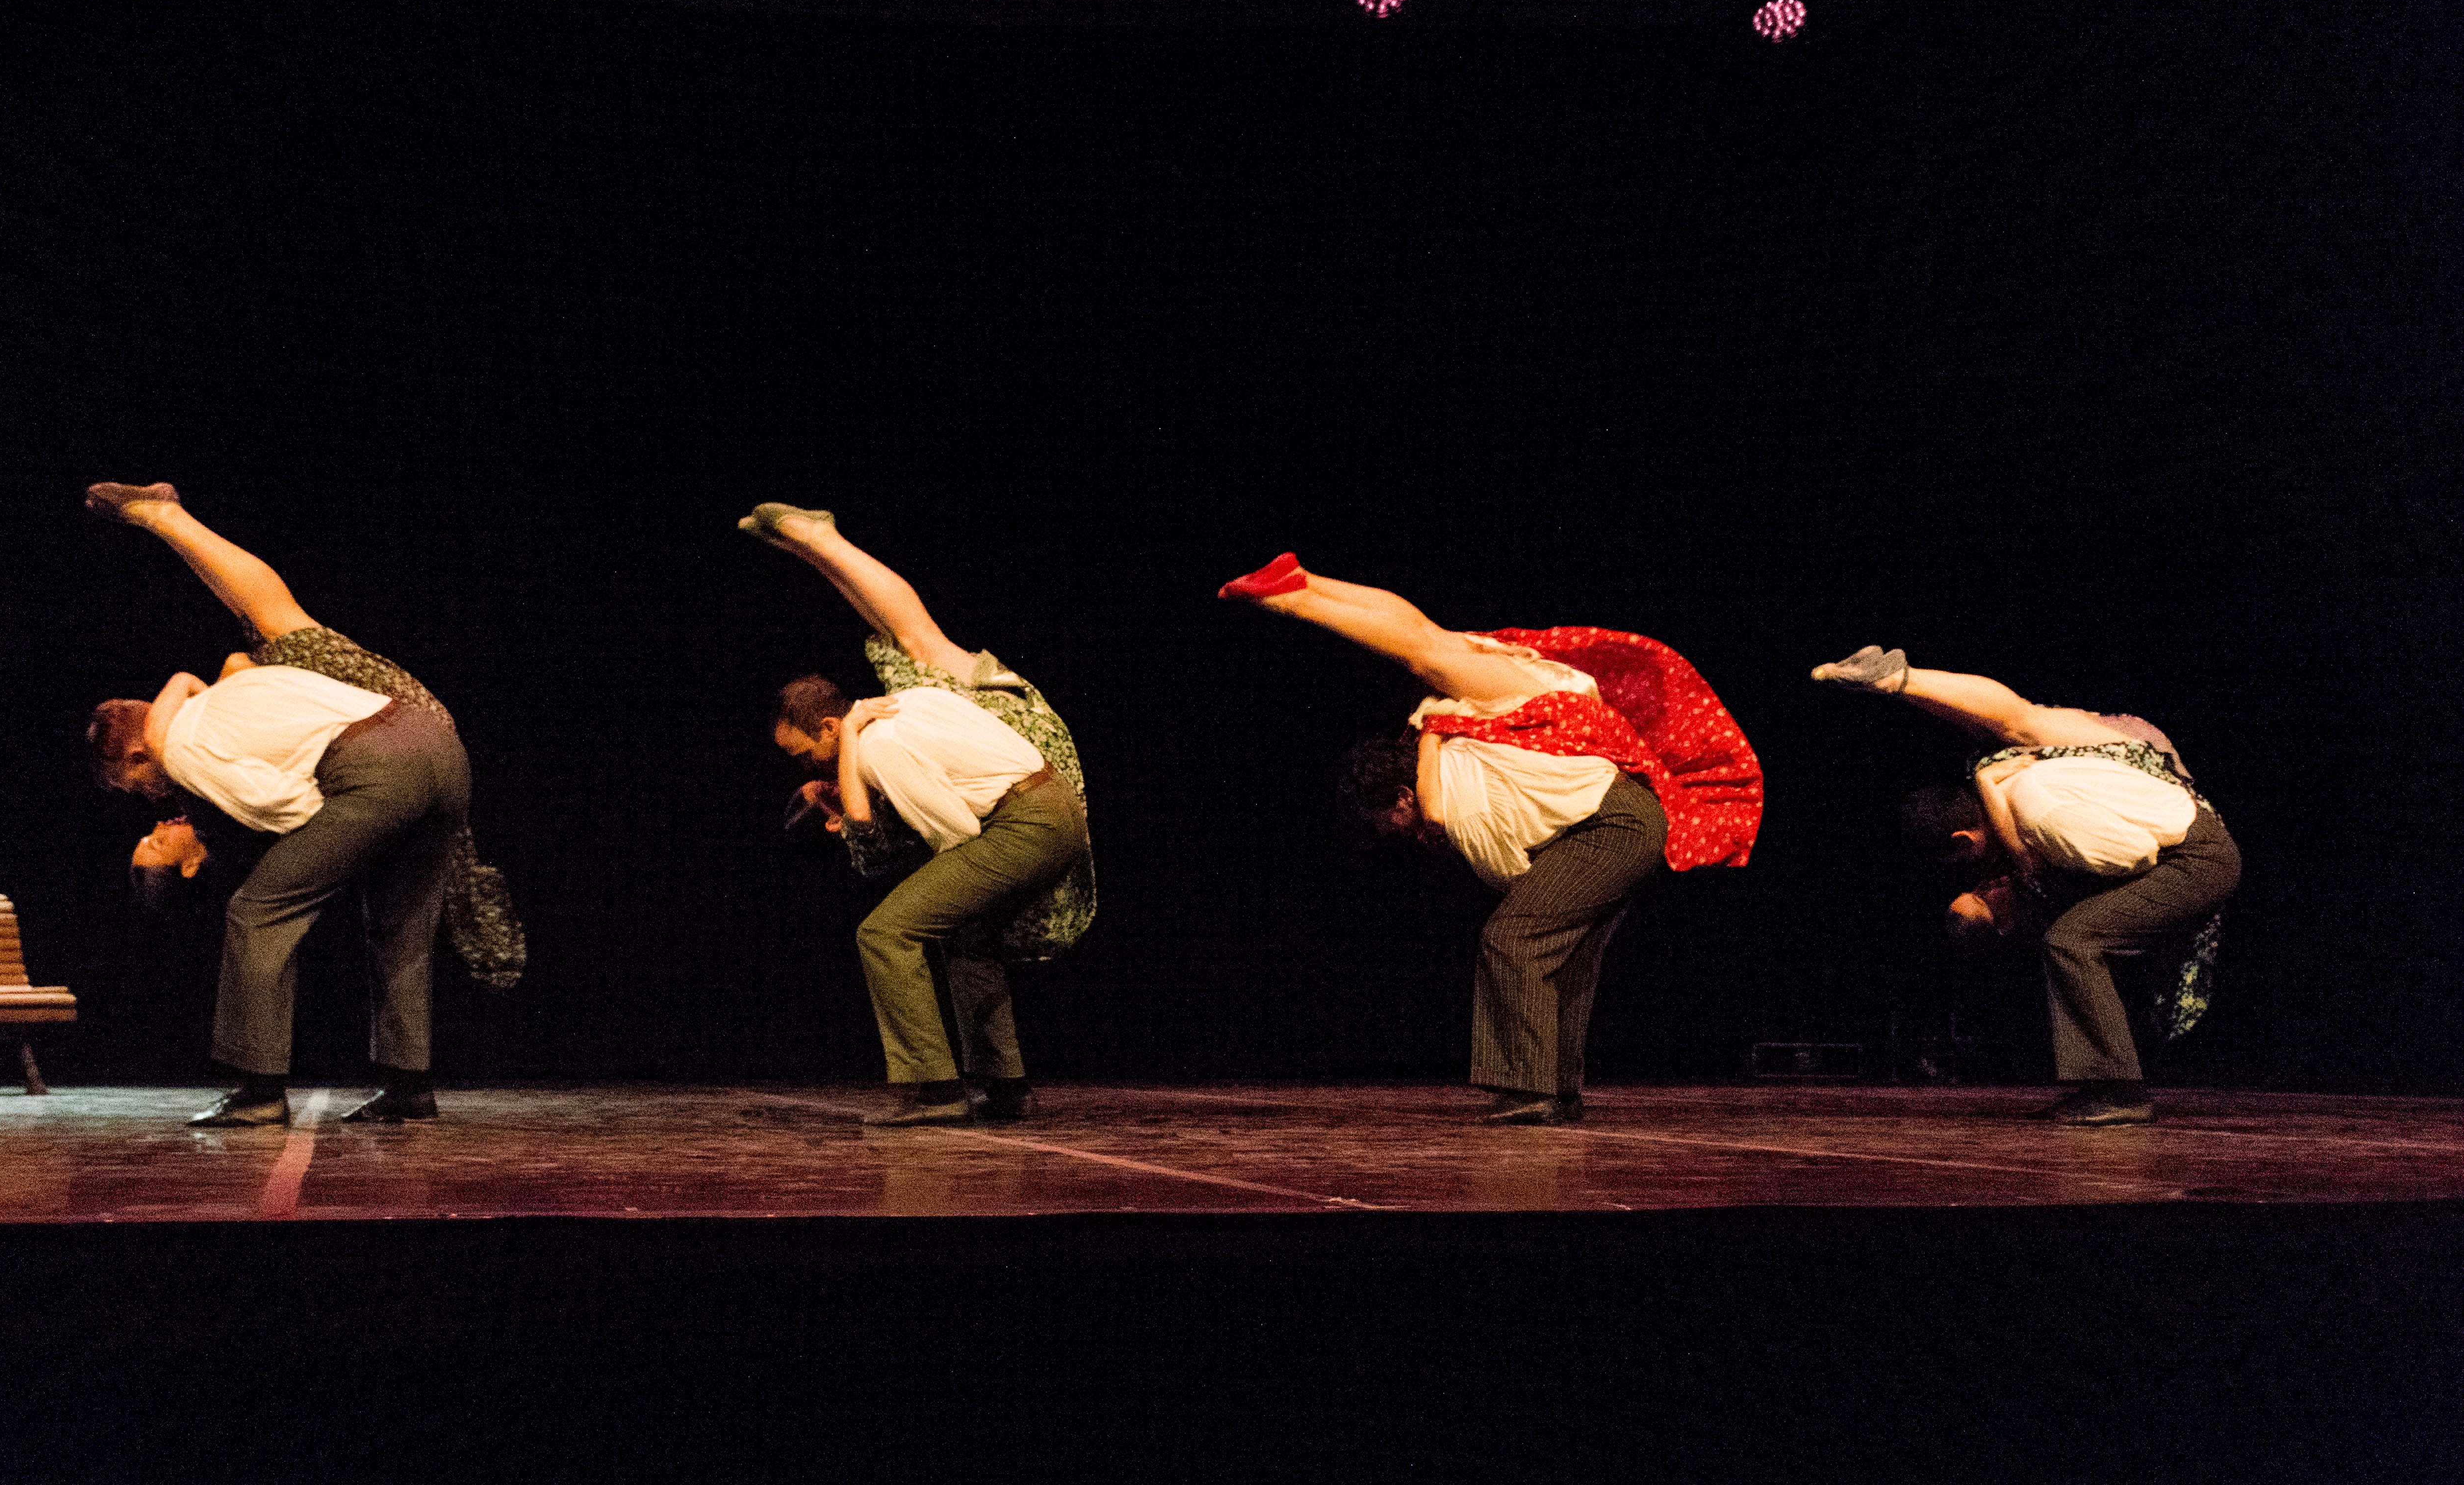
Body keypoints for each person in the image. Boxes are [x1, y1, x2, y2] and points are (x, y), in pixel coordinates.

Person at [1220, 552, 1763, 1124]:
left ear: (1398, 799)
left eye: (1391, 825)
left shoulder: (1444, 778)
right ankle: (1556, 1090)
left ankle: (1530, 1090)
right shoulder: (1452, 739)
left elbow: (1475, 847)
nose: (1401, 838)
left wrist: (1433, 787)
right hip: (1604, 794)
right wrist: (1431, 737)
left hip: (1614, 818)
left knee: (1512, 937)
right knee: (1564, 955)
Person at [83, 482, 492, 1126]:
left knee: (258, 912)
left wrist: (323, 847)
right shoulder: (229, 689)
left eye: (138, 788)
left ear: (138, 757)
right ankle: (409, 1084)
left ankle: (258, 1091)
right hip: (441, 741)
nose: (152, 802)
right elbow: (232, 664)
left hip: (379, 761)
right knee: (401, 920)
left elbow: (285, 808)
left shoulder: (183, 747)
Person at [746, 502, 1093, 1126]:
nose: (806, 769)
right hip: (1046, 802)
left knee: (886, 931)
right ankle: (1005, 1083)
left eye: (807, 753)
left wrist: (856, 789)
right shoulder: (900, 700)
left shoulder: (877, 743)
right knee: (962, 931)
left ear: (832, 723)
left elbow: (950, 837)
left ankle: (932, 1088)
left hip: (1033, 822)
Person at [1811, 645, 2241, 1126]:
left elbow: (2136, 854)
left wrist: (2049, 872)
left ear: (1964, 838)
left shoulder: (2037, 813)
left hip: (2188, 845)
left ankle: (2120, 1090)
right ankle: (1904, 678)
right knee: (2026, 723)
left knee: (2074, 939)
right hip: (2139, 789)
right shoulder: (1997, 775)